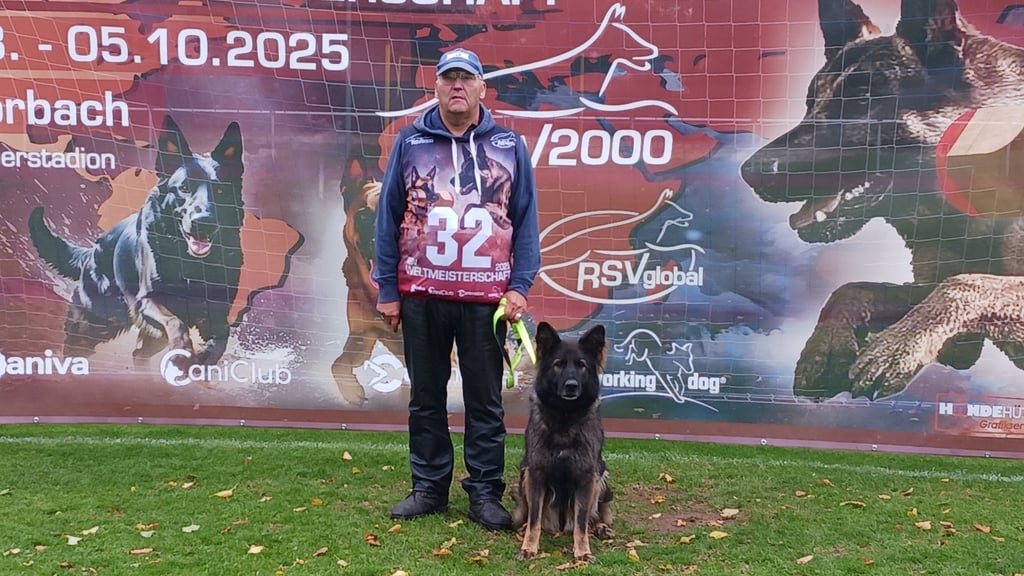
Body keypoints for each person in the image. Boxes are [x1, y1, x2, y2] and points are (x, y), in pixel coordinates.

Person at [372, 47, 541, 531]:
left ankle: (485, 493)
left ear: (482, 88)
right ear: (437, 88)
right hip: (422, 295)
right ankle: (428, 487)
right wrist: (388, 289)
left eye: (466, 78)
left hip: (486, 300)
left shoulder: (510, 145)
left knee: (484, 401)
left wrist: (520, 286)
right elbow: (388, 219)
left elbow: (526, 221)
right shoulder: (410, 142)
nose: (457, 86)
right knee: (425, 397)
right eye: (448, 78)